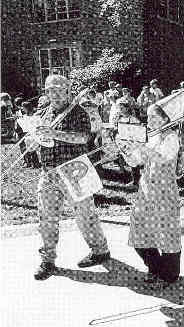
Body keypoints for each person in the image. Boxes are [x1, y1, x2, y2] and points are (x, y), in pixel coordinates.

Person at [25, 74, 110, 281]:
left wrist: (54, 133)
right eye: (49, 90)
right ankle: (48, 260)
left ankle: (100, 251)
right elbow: (40, 139)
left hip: (75, 170)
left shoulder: (78, 112)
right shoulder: (43, 113)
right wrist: (33, 142)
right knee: (46, 218)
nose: (53, 93)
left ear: (67, 90)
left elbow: (83, 138)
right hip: (49, 172)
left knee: (85, 216)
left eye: (57, 89)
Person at [118, 104, 181, 284]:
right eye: (148, 117)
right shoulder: (150, 138)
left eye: (154, 117)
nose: (149, 121)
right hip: (146, 190)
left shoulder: (172, 137)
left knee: (167, 234)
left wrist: (141, 146)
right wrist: (126, 149)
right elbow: (135, 162)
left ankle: (169, 275)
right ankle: (154, 267)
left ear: (165, 119)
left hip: (165, 191)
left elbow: (162, 158)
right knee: (139, 232)